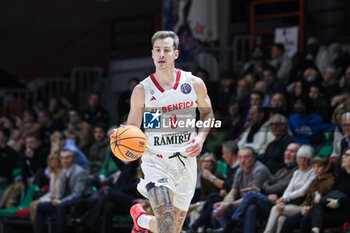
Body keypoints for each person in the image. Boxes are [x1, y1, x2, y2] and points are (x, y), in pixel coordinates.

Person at [127, 31, 213, 233]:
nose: (161, 54)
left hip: (186, 162)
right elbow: (132, 129)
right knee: (166, 225)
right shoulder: (142, 90)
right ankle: (144, 222)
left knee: (171, 230)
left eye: (166, 50)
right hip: (156, 161)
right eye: (157, 50)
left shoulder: (193, 84)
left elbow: (208, 114)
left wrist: (200, 138)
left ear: (175, 54)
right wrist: (123, 137)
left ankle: (142, 221)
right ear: (152, 54)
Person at [207, 143, 299, 233]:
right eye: (240, 157)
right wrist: (224, 204)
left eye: (246, 157)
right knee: (217, 207)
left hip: (265, 205)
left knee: (251, 207)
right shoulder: (240, 170)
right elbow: (232, 192)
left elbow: (267, 190)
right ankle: (228, 228)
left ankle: (230, 225)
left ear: (253, 158)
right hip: (244, 204)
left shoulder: (260, 170)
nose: (242, 160)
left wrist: (227, 205)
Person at [34, 149, 92, 233]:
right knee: (41, 206)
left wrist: (60, 201)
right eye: (62, 158)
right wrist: (56, 199)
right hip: (67, 201)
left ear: (73, 159)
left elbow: (77, 194)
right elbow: (61, 193)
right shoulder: (64, 172)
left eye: (67, 158)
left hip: (81, 201)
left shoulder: (80, 172)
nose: (65, 160)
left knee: (61, 206)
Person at [263, 145, 315, 233]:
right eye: (300, 158)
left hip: (303, 206)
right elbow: (288, 189)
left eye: (305, 159)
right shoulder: (296, 172)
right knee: (281, 219)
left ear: (310, 160)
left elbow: (302, 191)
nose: (302, 161)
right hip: (291, 204)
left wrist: (284, 198)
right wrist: (282, 201)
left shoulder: (313, 172)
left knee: (275, 209)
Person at [279, 156, 334, 233]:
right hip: (307, 209)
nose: (316, 169)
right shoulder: (314, 181)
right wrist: (305, 206)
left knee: (305, 221)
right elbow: (308, 198)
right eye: (314, 166)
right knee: (288, 222)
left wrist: (310, 208)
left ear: (326, 168)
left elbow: (324, 200)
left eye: (319, 166)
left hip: (320, 212)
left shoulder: (330, 181)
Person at [29, 152, 63, 223]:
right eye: (51, 159)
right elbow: (51, 192)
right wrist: (41, 199)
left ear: (59, 161)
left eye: (55, 159)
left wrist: (45, 200)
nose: (53, 161)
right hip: (52, 198)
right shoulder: (52, 174)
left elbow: (61, 192)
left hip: (59, 199)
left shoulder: (63, 173)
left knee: (36, 207)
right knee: (32, 204)